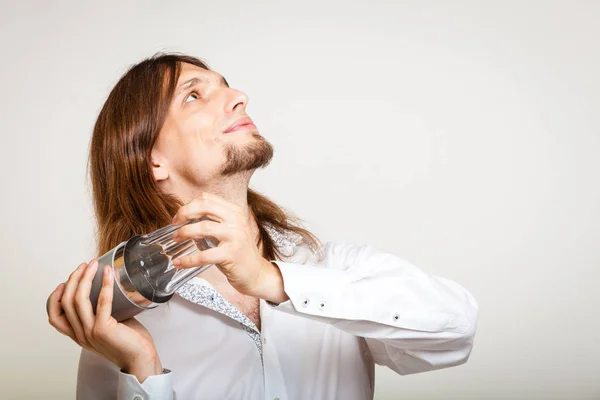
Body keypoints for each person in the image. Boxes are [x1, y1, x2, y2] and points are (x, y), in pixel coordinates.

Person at [47, 52, 479, 400]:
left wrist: (272, 280)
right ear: (151, 160)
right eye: (193, 96)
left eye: (225, 85)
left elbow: (456, 332)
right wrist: (143, 371)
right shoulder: (114, 329)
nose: (238, 96)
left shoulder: (335, 268)